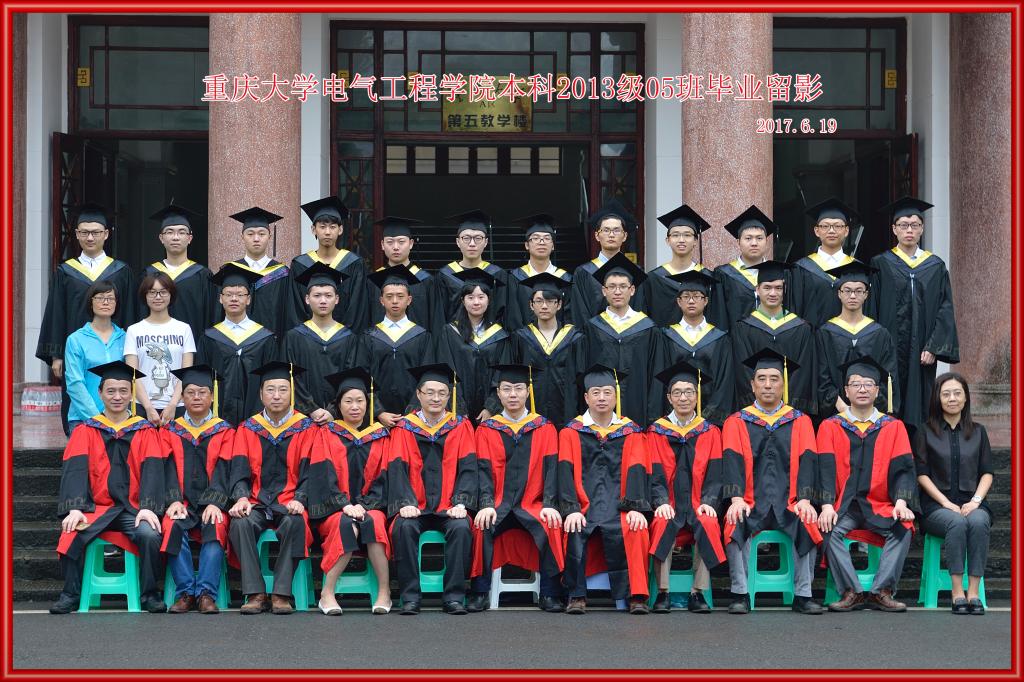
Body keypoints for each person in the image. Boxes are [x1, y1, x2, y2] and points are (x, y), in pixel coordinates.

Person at [49, 361, 168, 615]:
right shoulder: (86, 430)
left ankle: (149, 594)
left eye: (124, 391)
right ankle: (70, 594)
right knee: (70, 532)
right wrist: (75, 508)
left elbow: (154, 471)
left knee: (149, 534)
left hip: (132, 509)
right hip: (96, 508)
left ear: (131, 394)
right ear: (100, 393)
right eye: (111, 391)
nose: (117, 397)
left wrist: (148, 507)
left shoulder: (145, 431)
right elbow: (75, 470)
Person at [721, 348, 823, 615]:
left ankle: (803, 595)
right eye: (762, 379)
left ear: (783, 384)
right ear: (752, 385)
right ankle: (740, 594)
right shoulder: (736, 421)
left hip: (789, 502)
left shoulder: (800, 421)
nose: (768, 384)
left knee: (807, 520)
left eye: (774, 379)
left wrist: (804, 499)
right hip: (751, 502)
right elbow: (731, 461)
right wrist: (736, 499)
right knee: (734, 521)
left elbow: (808, 460)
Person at [816, 356, 917, 613]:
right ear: (846, 391)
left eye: (868, 384)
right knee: (828, 529)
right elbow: (824, 469)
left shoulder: (893, 427)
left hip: (879, 504)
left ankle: (882, 591)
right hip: (845, 506)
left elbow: (904, 467)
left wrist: (901, 502)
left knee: (904, 527)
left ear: (878, 390)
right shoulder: (830, 426)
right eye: (856, 384)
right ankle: (852, 592)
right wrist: (826, 506)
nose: (862, 389)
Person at [465, 364, 566, 613]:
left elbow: (552, 470)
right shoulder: (487, 429)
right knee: (481, 525)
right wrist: (486, 504)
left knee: (552, 524)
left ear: (528, 392)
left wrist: (550, 504)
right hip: (498, 504)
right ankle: (479, 591)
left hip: (533, 504)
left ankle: (550, 593)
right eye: (507, 389)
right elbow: (482, 470)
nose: (513, 394)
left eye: (519, 388)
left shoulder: (544, 428)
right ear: (498, 394)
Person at [384, 363, 478, 615]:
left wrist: (461, 502)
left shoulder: (460, 426)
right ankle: (410, 597)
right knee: (403, 528)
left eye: (442, 393)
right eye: (430, 392)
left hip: (449, 506)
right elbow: (396, 468)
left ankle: (454, 597)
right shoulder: (404, 428)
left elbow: (469, 467)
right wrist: (405, 503)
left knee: (461, 528)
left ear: (449, 396)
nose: (436, 398)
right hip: (415, 506)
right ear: (419, 394)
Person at [558, 364, 652, 615]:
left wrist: (635, 507)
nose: (602, 397)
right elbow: (564, 472)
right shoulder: (570, 432)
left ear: (616, 397)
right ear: (586, 397)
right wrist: (572, 509)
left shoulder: (631, 432)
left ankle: (636, 597)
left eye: (607, 392)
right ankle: (576, 595)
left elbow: (637, 470)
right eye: (596, 392)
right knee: (574, 527)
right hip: (584, 506)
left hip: (620, 507)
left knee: (636, 528)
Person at [37, 202, 136, 435]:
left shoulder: (121, 271)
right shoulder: (66, 271)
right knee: (77, 387)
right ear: (77, 234)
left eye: (96, 232)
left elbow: (129, 312)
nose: (90, 237)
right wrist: (56, 355)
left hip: (113, 347)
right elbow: (56, 312)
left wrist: (131, 351)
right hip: (77, 351)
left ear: (106, 234)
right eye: (84, 232)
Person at [227, 361, 316, 615]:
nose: (276, 396)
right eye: (270, 389)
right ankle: (255, 593)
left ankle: (281, 593)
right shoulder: (247, 428)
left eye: (283, 389)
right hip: (256, 502)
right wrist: (241, 498)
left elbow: (312, 472)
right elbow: (239, 470)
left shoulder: (306, 428)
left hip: (289, 502)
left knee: (296, 522)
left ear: (291, 393)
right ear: (261, 394)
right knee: (240, 523)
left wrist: (300, 498)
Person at [868, 196, 959, 428]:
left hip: (922, 352)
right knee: (889, 400)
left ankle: (919, 448)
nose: (909, 230)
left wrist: (933, 346)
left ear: (922, 228)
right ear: (894, 229)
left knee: (921, 406)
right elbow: (872, 308)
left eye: (914, 225)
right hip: (890, 350)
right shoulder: (881, 264)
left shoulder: (935, 266)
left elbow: (945, 309)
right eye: (903, 225)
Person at [308, 368, 392, 615]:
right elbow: (323, 475)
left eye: (360, 401)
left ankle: (384, 592)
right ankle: (327, 593)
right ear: (338, 405)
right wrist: (345, 505)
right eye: (348, 401)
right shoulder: (326, 434)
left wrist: (363, 506)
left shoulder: (380, 436)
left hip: (370, 506)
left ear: (368, 404)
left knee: (375, 521)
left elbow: (384, 478)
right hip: (334, 510)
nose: (355, 407)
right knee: (346, 524)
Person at [647, 360, 727, 614]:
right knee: (661, 523)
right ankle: (663, 592)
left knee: (709, 522)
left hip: (697, 503)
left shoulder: (710, 431)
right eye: (678, 393)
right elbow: (653, 473)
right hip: (669, 503)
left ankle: (697, 592)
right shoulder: (656, 431)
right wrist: (661, 502)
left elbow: (716, 473)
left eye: (689, 392)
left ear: (697, 395)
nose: (684, 398)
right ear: (669, 397)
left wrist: (709, 502)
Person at [913, 372, 993, 615]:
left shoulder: (978, 432)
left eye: (957, 393)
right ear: (937, 398)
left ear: (966, 398)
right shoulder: (925, 432)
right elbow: (921, 474)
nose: (952, 398)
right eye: (946, 394)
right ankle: (957, 592)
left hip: (972, 503)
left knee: (979, 521)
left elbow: (987, 473)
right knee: (956, 522)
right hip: (936, 507)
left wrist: (976, 501)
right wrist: (945, 502)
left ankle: (973, 593)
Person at [159, 365, 234, 614]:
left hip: (212, 503)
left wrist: (215, 501)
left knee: (216, 524)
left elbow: (226, 469)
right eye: (190, 393)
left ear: (212, 396)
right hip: (182, 502)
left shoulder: (225, 431)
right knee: (171, 524)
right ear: (182, 397)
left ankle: (206, 594)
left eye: (202, 392)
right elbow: (166, 467)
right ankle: (186, 593)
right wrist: (173, 500)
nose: (197, 397)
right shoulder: (170, 431)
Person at [583, 253, 665, 428]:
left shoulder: (648, 328)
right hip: (601, 412)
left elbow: (656, 374)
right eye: (612, 286)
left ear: (632, 290)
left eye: (623, 286)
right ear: (604, 291)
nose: (617, 291)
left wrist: (653, 415)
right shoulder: (593, 328)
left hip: (639, 407)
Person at [731, 260, 817, 417]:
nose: (773, 293)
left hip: (789, 413)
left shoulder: (801, 328)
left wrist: (787, 407)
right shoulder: (743, 328)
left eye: (778, 288)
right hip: (755, 413)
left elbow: (803, 373)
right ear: (757, 290)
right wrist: (758, 404)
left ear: (784, 290)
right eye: (767, 287)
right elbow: (743, 371)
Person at [816, 260, 900, 417]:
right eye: (847, 290)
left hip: (872, 415)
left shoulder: (880, 334)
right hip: (836, 415)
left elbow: (888, 377)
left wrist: (868, 409)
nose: (853, 296)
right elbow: (821, 376)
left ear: (866, 294)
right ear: (839, 293)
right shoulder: (825, 333)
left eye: (859, 291)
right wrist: (842, 408)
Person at [198, 264, 278, 426]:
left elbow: (271, 380)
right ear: (221, 298)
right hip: (217, 418)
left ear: (248, 299)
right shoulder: (209, 337)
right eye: (228, 294)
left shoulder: (264, 338)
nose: (234, 299)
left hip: (256, 419)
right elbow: (202, 379)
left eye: (240, 294)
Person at [280, 262, 360, 425]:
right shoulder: (294, 337)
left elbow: (350, 378)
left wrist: (332, 410)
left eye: (328, 295)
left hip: (339, 418)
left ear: (337, 299)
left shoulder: (348, 338)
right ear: (307, 299)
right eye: (317, 296)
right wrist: (311, 408)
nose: (323, 300)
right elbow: (290, 377)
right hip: (302, 418)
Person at [653, 269, 735, 426]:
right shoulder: (666, 337)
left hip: (710, 422)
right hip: (675, 418)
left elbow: (724, 382)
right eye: (686, 296)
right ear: (679, 302)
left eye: (697, 296)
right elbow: (661, 379)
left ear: (706, 301)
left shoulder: (720, 338)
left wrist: (708, 419)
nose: (691, 301)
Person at [435, 268, 512, 424]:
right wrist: (459, 407)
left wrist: (491, 407)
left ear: (489, 300)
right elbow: (446, 371)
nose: (476, 302)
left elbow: (502, 375)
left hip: (490, 413)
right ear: (463, 301)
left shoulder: (500, 335)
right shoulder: (450, 332)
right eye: (470, 297)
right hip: (457, 411)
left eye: (481, 297)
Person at [361, 265, 435, 427]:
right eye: (389, 296)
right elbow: (363, 378)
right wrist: (379, 412)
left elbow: (426, 378)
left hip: (414, 418)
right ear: (381, 301)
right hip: (376, 419)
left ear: (409, 300)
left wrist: (412, 412)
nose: (395, 301)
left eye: (400, 296)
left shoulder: (422, 336)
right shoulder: (369, 336)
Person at [512, 273, 586, 428]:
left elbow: (581, 378)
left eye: (550, 301)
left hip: (567, 410)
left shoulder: (574, 338)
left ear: (559, 305)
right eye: (539, 301)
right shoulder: (521, 337)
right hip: (531, 411)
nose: (544, 306)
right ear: (531, 305)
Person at [124, 273, 196, 426]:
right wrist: (148, 407)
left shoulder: (183, 329)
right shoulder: (134, 330)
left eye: (163, 292)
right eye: (152, 292)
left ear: (171, 295)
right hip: (141, 406)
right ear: (145, 295)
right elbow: (133, 374)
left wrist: (173, 404)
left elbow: (186, 372)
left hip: (177, 406)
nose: (158, 297)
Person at [639, 204, 727, 328]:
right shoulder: (653, 279)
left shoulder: (709, 278)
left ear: (695, 241)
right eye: (675, 235)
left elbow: (717, 319)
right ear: (667, 241)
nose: (681, 240)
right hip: (661, 340)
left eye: (687, 235)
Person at [289, 196, 368, 332]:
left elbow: (358, 307)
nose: (327, 232)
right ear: (313, 229)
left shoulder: (354, 264)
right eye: (322, 227)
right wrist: (306, 336)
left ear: (340, 230)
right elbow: (295, 307)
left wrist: (343, 336)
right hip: (307, 338)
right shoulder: (300, 265)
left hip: (345, 339)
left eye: (332, 227)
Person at [142, 202, 217, 335]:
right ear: (161, 238)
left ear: (190, 238)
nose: (175, 237)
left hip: (193, 344)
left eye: (181, 232)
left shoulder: (203, 275)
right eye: (169, 232)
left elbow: (211, 317)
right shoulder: (148, 274)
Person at [63, 280, 126, 433]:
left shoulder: (125, 338)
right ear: (90, 303)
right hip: (83, 420)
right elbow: (74, 383)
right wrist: (97, 419)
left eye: (110, 298)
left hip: (120, 420)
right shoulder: (76, 339)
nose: (105, 302)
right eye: (100, 297)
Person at [432, 210, 509, 331]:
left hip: (490, 339)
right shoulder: (445, 275)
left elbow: (503, 314)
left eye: (478, 238)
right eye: (466, 238)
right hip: (454, 338)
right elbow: (439, 316)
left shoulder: (498, 274)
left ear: (486, 242)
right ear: (458, 242)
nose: (472, 244)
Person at [789, 197, 859, 328]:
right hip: (811, 338)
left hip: (849, 339)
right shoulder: (801, 268)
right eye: (825, 226)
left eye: (837, 226)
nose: (831, 231)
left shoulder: (857, 268)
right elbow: (795, 312)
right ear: (817, 231)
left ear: (846, 231)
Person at [569, 199, 639, 327]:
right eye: (606, 230)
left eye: (616, 230)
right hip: (593, 337)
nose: (611, 235)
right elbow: (580, 314)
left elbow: (639, 310)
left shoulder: (635, 271)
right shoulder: (583, 273)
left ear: (624, 236)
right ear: (597, 236)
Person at [228, 206, 296, 335]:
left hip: (274, 341)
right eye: (250, 234)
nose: (256, 239)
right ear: (242, 236)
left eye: (261, 234)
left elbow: (289, 313)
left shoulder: (282, 273)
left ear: (269, 236)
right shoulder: (231, 271)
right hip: (237, 341)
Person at [716, 205, 780, 331]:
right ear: (738, 242)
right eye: (748, 238)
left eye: (759, 238)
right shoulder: (723, 275)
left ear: (766, 241)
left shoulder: (780, 274)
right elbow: (720, 317)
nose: (754, 243)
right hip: (736, 341)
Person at [504, 213, 573, 331]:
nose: (541, 242)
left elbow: (569, 317)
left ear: (553, 246)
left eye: (547, 238)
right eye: (535, 238)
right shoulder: (515, 278)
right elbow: (513, 317)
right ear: (527, 245)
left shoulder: (565, 278)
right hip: (522, 340)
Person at [367, 216, 434, 329]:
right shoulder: (373, 281)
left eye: (401, 242)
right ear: (382, 245)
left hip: (418, 340)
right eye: (390, 242)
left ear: (411, 243)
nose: (396, 247)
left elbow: (435, 320)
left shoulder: (426, 280)